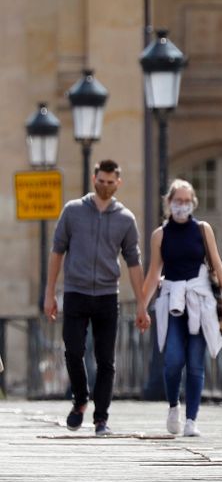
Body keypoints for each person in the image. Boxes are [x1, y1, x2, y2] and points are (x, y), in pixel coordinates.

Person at [43, 159, 149, 436]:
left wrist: (141, 303)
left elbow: (134, 263)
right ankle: (80, 400)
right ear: (94, 179)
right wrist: (50, 293)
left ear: (118, 182)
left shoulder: (125, 219)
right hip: (75, 291)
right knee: (73, 350)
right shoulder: (73, 211)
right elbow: (57, 252)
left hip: (106, 294)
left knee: (106, 359)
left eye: (110, 182)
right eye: (100, 181)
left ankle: (101, 418)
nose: (104, 186)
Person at [141, 180, 222, 437]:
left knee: (195, 363)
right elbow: (153, 272)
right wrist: (142, 306)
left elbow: (217, 263)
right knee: (172, 360)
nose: (181, 205)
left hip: (200, 300)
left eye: (186, 201)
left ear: (193, 203)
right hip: (172, 302)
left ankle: (191, 419)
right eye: (177, 201)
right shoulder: (160, 234)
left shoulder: (203, 229)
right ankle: (173, 406)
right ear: (168, 202)